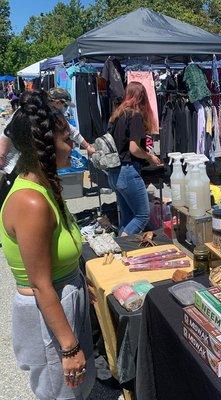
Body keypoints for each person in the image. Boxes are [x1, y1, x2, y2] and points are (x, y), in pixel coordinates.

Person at [0, 91, 95, 399]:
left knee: (76, 391)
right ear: (47, 146)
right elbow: (41, 284)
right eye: (66, 140)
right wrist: (68, 347)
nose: (72, 146)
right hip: (49, 312)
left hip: (63, 300)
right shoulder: (31, 202)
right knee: (60, 393)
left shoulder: (45, 187)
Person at [108, 81, 161, 236]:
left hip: (114, 172)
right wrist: (150, 156)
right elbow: (134, 149)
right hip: (127, 171)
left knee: (127, 217)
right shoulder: (135, 115)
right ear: (142, 97)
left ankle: (122, 251)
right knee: (142, 216)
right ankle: (121, 245)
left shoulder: (117, 115)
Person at [48, 88, 96, 156]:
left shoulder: (57, 116)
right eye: (66, 105)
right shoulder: (44, 115)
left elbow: (72, 131)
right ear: (57, 102)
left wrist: (87, 146)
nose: (66, 108)